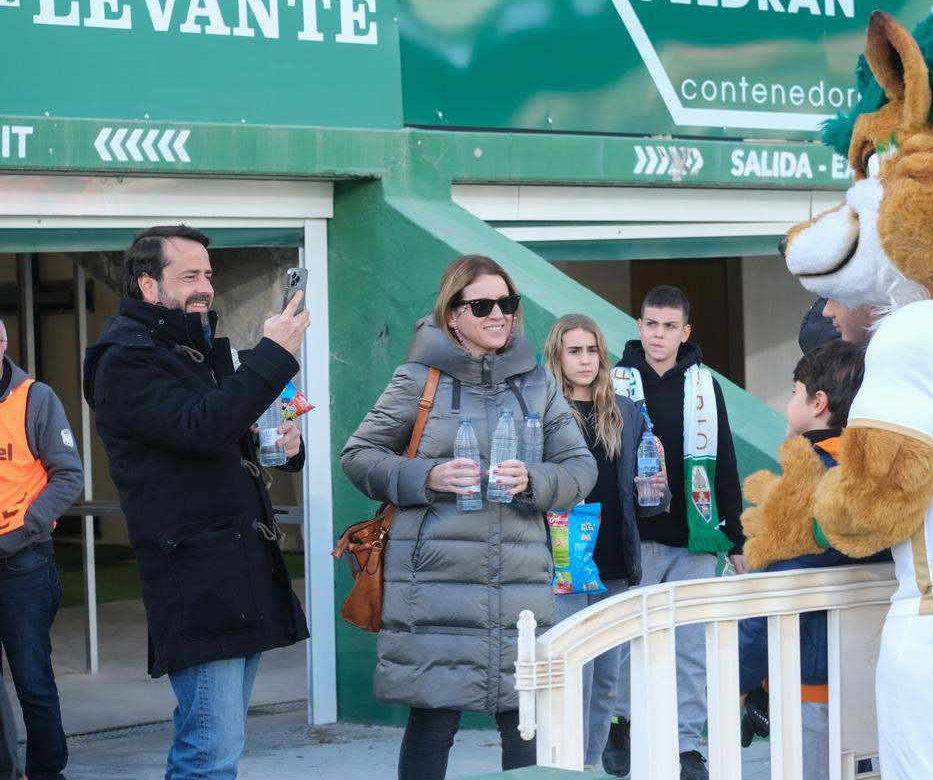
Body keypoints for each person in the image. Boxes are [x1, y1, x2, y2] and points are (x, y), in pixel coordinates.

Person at [341, 255, 597, 780]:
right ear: (452, 314)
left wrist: (535, 480)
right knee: (433, 723)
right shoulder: (417, 378)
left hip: (520, 586)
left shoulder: (538, 383)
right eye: (482, 305)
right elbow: (359, 455)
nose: (499, 314)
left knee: (525, 726)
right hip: (434, 586)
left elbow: (580, 467)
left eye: (507, 303)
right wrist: (425, 477)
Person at [82, 225, 310, 779]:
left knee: (220, 749)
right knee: (207, 755)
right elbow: (199, 427)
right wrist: (274, 354)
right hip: (199, 582)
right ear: (148, 285)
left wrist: (272, 443)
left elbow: (211, 435)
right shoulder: (125, 360)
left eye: (207, 274)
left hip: (237, 574)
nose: (205, 286)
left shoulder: (194, 348)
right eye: (188, 276)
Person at [606, 285, 746, 780]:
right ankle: (621, 722)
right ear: (639, 326)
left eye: (669, 326)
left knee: (690, 649)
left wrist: (737, 539)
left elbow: (724, 462)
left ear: (685, 332)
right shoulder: (613, 383)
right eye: (650, 324)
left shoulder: (707, 387)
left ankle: (687, 744)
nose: (658, 334)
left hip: (694, 539)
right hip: (634, 538)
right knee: (624, 640)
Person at [737, 340, 887, 778]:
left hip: (811, 683)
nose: (788, 403)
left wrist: (741, 678)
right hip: (872, 669)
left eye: (793, 392)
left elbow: (774, 588)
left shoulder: (810, 479)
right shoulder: (877, 473)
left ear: (818, 402)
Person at [542, 313, 670, 772]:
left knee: (605, 683)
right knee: (569, 679)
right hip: (561, 566)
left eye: (592, 350)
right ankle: (563, 768)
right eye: (574, 351)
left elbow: (649, 500)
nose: (585, 359)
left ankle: (592, 767)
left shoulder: (626, 411)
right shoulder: (541, 412)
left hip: (615, 563)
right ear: (557, 355)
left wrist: (658, 489)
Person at [0, 318, 82, 780]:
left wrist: (22, 530)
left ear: (3, 345)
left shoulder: (35, 398)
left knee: (32, 680)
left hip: (22, 563)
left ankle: (47, 772)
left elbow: (68, 475)